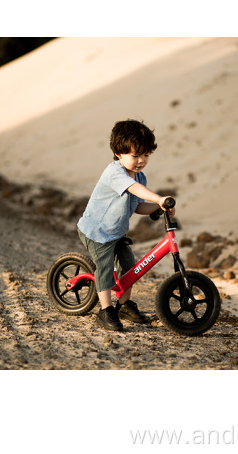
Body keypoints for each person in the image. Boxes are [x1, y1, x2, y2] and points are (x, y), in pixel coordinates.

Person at [77, 119, 175, 331]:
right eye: (135, 155)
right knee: (104, 266)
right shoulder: (115, 173)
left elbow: (137, 205)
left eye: (146, 155)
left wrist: (159, 208)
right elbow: (134, 190)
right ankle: (105, 311)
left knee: (128, 262)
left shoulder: (140, 176)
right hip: (97, 231)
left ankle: (124, 305)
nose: (141, 160)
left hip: (115, 232)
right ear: (119, 153)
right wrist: (158, 198)